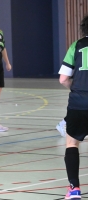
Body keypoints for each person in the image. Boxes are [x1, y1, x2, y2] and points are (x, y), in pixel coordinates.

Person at [59, 14, 88, 199]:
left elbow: (63, 79)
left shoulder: (76, 46)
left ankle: (74, 189)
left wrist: (75, 87)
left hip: (78, 102)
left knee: (72, 143)